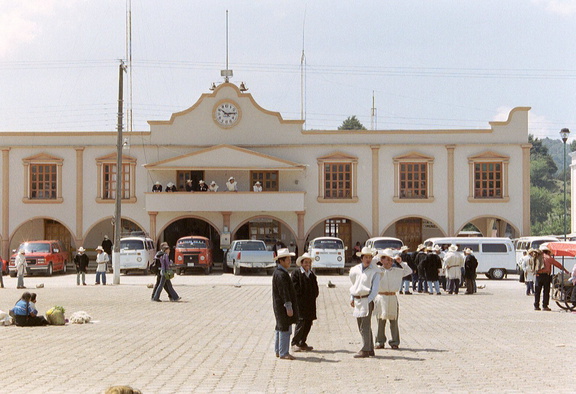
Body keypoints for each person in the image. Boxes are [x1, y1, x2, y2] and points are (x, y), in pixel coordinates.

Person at [373, 250, 412, 350]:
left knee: (393, 321)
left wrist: (400, 262)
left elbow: (409, 271)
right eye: (387, 259)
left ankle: (395, 342)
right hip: (381, 297)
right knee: (380, 321)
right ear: (382, 260)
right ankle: (379, 341)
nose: (389, 262)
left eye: (391, 259)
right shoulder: (377, 271)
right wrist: (379, 258)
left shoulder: (397, 271)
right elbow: (369, 265)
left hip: (392, 297)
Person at [349, 246, 380, 358]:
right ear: (361, 258)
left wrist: (368, 300)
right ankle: (370, 348)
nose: (368, 259)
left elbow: (375, 289)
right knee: (361, 325)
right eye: (366, 257)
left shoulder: (375, 271)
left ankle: (365, 349)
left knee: (365, 325)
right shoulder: (355, 270)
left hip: (367, 300)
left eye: (370, 257)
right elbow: (354, 285)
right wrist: (352, 297)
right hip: (358, 299)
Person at [272, 248, 298, 360]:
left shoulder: (280, 273)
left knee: (279, 327)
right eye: (287, 259)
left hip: (279, 306)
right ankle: (284, 352)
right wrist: (288, 306)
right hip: (282, 306)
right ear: (281, 261)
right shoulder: (281, 275)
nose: (289, 261)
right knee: (285, 329)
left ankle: (278, 350)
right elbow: (284, 292)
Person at [290, 252, 319, 352]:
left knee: (308, 322)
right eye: (306, 262)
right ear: (301, 263)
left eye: (309, 262)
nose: (307, 264)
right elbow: (295, 288)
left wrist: (312, 295)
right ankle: (295, 342)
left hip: (310, 304)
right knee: (301, 322)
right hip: (300, 304)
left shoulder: (311, 275)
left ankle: (302, 342)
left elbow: (316, 289)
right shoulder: (296, 274)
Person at [534, 244, 569, 311]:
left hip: (538, 275)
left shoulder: (537, 257)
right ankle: (545, 306)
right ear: (547, 251)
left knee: (537, 291)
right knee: (546, 291)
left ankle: (536, 306)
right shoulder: (548, 257)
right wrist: (565, 270)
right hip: (546, 276)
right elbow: (557, 264)